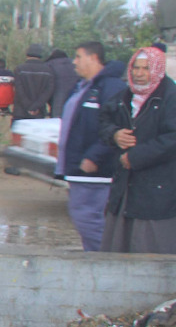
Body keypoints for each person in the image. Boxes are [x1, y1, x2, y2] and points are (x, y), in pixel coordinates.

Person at [98, 47, 176, 254]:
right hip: (126, 185)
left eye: (146, 69)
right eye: (136, 68)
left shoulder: (170, 98)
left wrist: (136, 157)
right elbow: (104, 120)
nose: (139, 74)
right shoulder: (124, 97)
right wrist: (115, 135)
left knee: (150, 247)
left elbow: (172, 138)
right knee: (120, 245)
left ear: (157, 69)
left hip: (157, 189)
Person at [57, 41, 126, 251]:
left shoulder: (111, 87)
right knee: (84, 219)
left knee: (89, 220)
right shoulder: (82, 87)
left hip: (96, 171)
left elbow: (117, 126)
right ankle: (94, 260)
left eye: (78, 56)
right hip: (78, 168)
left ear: (93, 58)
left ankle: (104, 261)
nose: (74, 62)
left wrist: (94, 156)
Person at [12, 44, 55, 120]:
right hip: (39, 112)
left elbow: (19, 90)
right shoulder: (48, 70)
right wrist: (36, 106)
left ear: (27, 54)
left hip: (20, 111)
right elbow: (48, 91)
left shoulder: (19, 69)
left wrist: (28, 106)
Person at [46, 47, 79, 118]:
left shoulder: (49, 65)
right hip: (74, 100)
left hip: (57, 101)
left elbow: (47, 86)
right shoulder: (75, 64)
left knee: (57, 121)